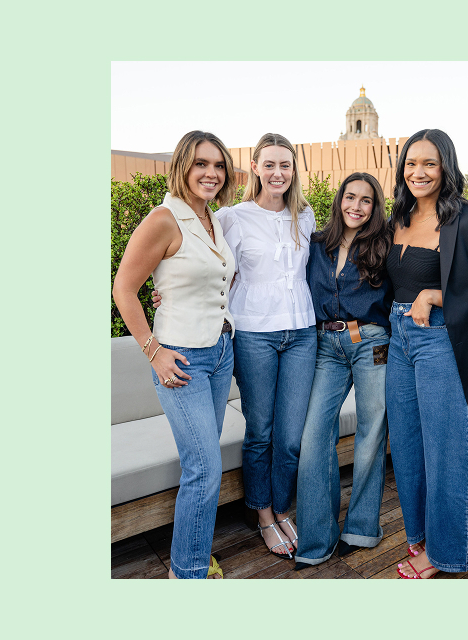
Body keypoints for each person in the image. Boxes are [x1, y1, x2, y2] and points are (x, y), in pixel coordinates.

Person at [160, 133, 317, 558]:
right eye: (269, 165)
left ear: (294, 171)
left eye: (285, 165)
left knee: (289, 437)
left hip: (302, 332)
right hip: (252, 334)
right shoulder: (232, 216)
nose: (278, 173)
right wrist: (167, 295)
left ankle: (283, 508)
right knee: (261, 431)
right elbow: (206, 266)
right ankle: (263, 513)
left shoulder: (306, 216)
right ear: (255, 169)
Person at [111, 130, 237, 579]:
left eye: (219, 165)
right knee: (205, 468)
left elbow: (217, 278)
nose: (211, 173)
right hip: (181, 358)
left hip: (221, 354)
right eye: (201, 163)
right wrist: (154, 351)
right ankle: (187, 573)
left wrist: (178, 296)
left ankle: (194, 553)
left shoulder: (212, 220)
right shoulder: (163, 219)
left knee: (202, 465)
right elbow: (123, 289)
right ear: (183, 165)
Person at [385, 129, 468, 579]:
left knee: (447, 452)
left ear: (446, 168)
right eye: (411, 163)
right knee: (409, 448)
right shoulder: (395, 217)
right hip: (399, 343)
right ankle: (420, 536)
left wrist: (435, 295)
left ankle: (446, 553)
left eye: (429, 164)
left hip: (441, 341)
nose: (418, 172)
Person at [292, 172, 394, 571]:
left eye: (365, 200)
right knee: (314, 436)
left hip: (372, 342)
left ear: (374, 207)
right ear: (339, 200)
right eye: (350, 197)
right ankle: (317, 539)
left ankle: (362, 527)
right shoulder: (315, 244)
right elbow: (270, 273)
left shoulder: (385, 245)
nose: (356, 206)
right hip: (326, 347)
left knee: (371, 432)